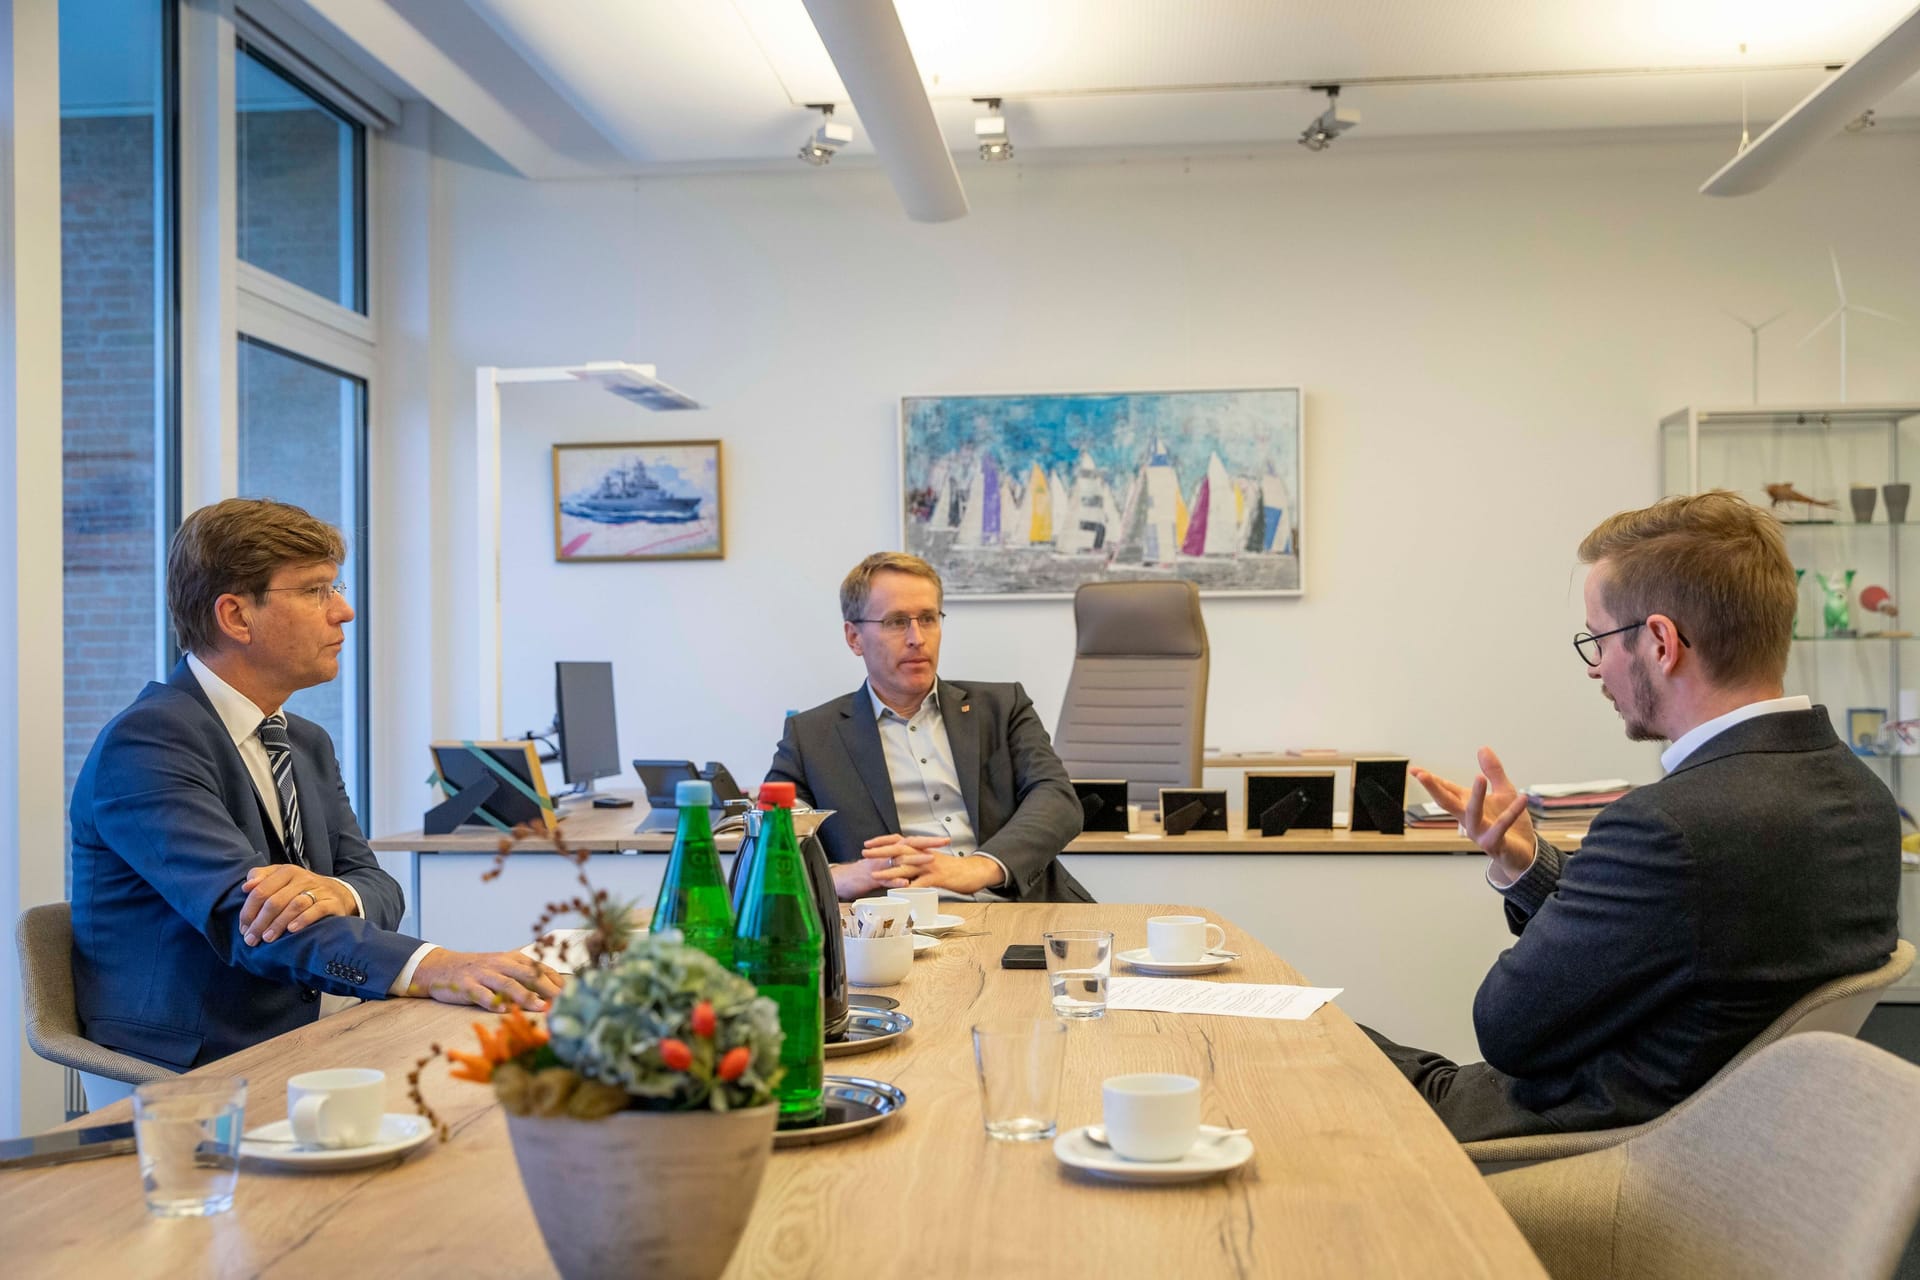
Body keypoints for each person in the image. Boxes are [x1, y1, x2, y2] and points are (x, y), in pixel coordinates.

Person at [1380, 490, 1900, 1142]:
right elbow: (1667, 945)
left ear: (1659, 641)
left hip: (1578, 1145)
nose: (1596, 668)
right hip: (1723, 1139)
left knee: (1295, 1046)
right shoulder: (1863, 798)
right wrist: (1528, 866)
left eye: (1599, 639)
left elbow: (1507, 1028)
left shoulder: (1670, 826)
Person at [70, 498, 561, 1086]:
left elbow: (379, 887)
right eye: (316, 591)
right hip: (199, 1070)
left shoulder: (304, 740)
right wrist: (434, 965)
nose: (345, 612)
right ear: (235, 616)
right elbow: (251, 923)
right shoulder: (149, 742)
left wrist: (334, 891)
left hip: (318, 1029)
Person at [766, 551, 1091, 903]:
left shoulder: (1002, 707)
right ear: (854, 637)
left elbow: (1057, 800)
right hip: (896, 927)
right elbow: (771, 843)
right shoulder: (812, 736)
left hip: (1022, 912)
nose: (917, 638)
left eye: (928, 618)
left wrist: (978, 867)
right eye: (895, 622)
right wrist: (840, 877)